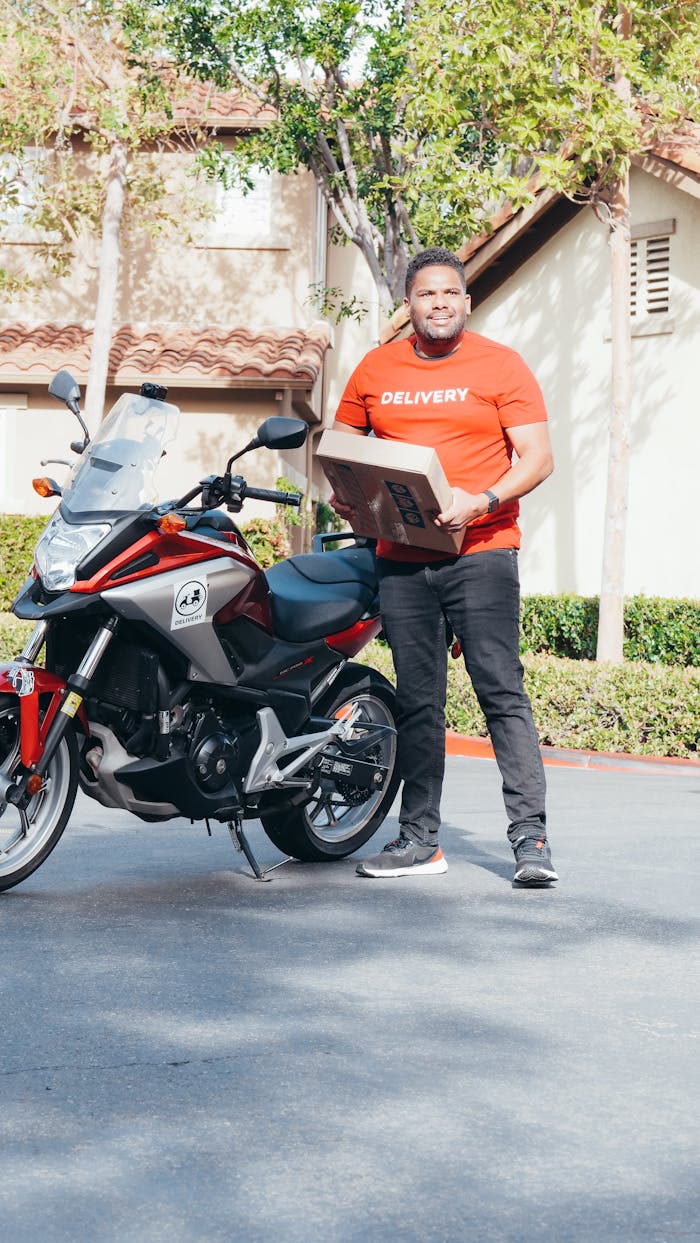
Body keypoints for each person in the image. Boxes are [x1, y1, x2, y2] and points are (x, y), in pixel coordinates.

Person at [330, 246, 558, 885]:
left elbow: (537, 459)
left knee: (500, 691)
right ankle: (419, 839)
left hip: (483, 550)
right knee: (418, 701)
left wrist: (480, 500)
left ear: (466, 301)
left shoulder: (501, 365)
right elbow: (341, 449)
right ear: (409, 304)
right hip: (402, 558)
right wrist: (347, 496)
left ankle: (531, 842)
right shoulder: (375, 368)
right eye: (426, 294)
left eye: (449, 294)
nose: (438, 304)